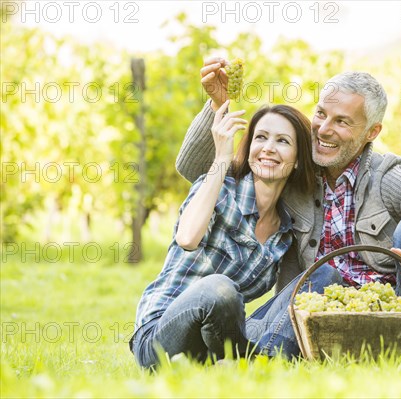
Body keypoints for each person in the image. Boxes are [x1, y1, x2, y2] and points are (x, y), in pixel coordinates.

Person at [175, 58, 401, 364]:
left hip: (391, 313)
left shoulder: (387, 175)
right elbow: (194, 170)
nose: (323, 129)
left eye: (342, 122)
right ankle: (255, 360)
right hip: (321, 317)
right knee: (261, 329)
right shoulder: (296, 170)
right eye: (321, 114)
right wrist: (218, 105)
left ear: (371, 132)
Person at [129, 100, 323, 369]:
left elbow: (287, 305)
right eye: (261, 137)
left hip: (218, 340)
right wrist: (221, 158)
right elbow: (186, 238)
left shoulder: (285, 234)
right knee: (219, 288)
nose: (268, 148)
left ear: (298, 160)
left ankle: (263, 361)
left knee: (322, 275)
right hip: (160, 338)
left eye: (282, 141)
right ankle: (251, 363)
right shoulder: (220, 188)